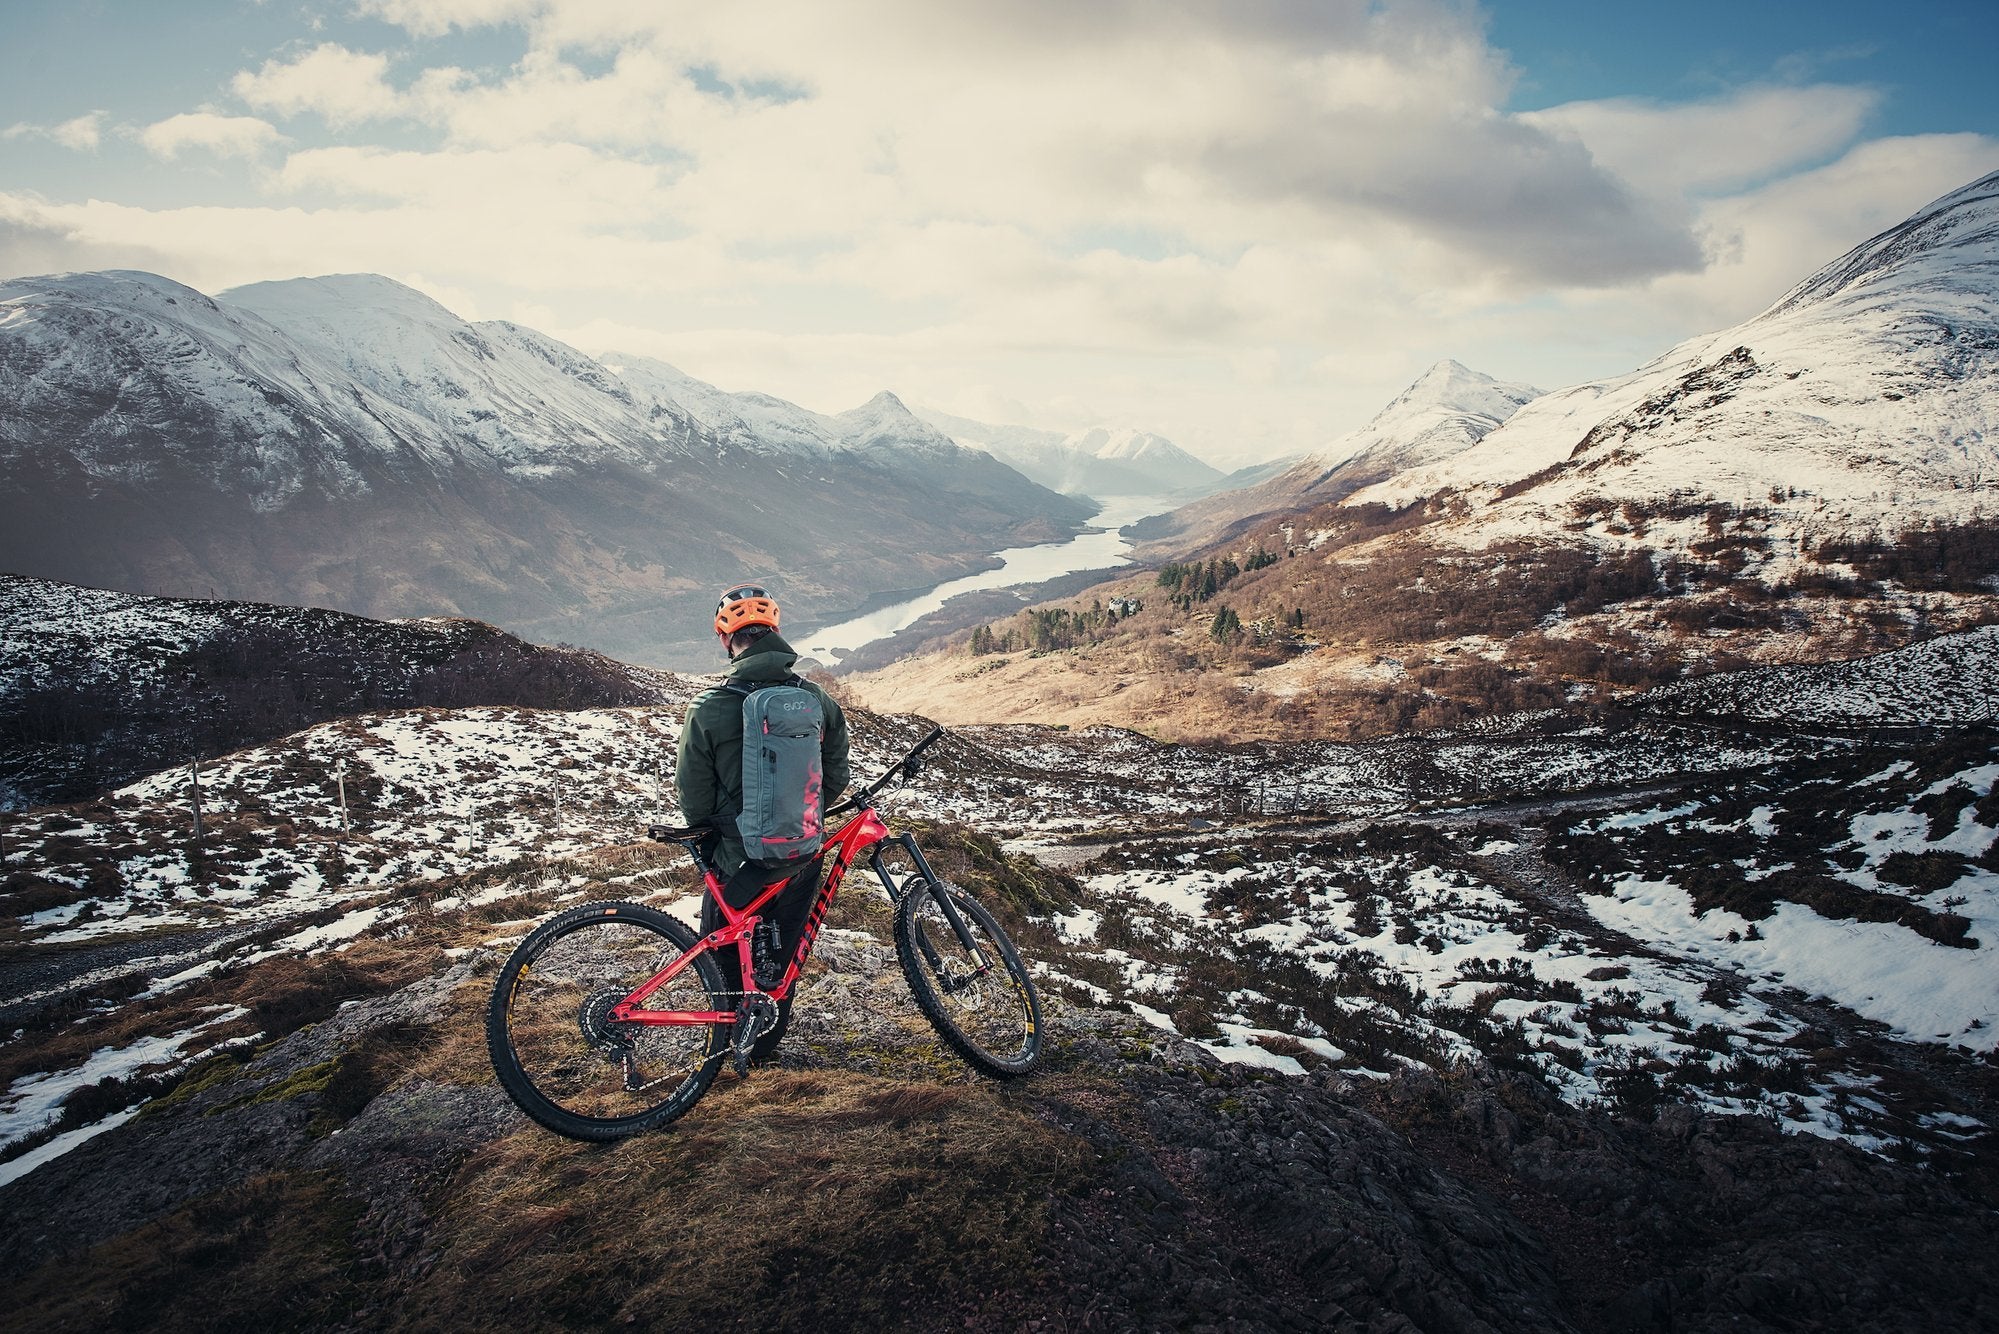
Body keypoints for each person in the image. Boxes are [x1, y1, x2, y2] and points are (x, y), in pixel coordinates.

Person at [676, 582, 850, 1065]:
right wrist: (798, 817)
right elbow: (835, 775)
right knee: (783, 955)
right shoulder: (815, 699)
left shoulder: (709, 707)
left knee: (726, 951)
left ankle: (726, 1043)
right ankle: (763, 1047)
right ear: (774, 629)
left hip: (737, 861)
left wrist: (718, 837)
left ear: (725, 638)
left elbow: (693, 793)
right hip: (800, 856)